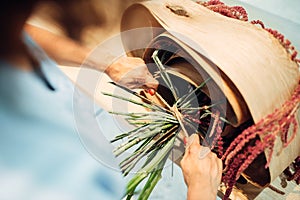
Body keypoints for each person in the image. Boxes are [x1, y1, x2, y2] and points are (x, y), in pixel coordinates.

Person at [0, 1, 222, 199]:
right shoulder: (35, 184)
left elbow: (23, 34)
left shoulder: (9, 29)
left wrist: (110, 65)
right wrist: (201, 190)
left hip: (125, 153)